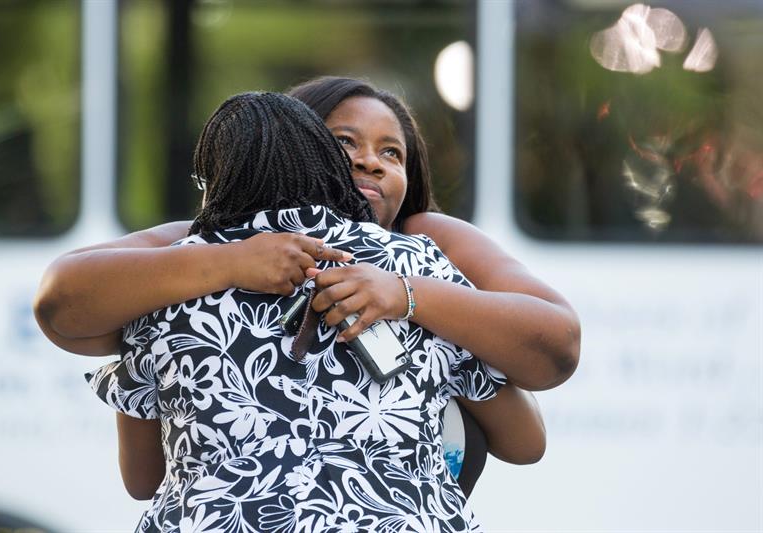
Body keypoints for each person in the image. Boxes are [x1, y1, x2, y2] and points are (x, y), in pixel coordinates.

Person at [35, 77, 578, 488]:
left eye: (393, 153)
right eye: (346, 142)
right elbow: (66, 289)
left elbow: (553, 347)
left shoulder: (429, 243)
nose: (371, 162)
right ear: (301, 148)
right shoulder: (202, 247)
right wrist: (231, 262)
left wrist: (407, 295)